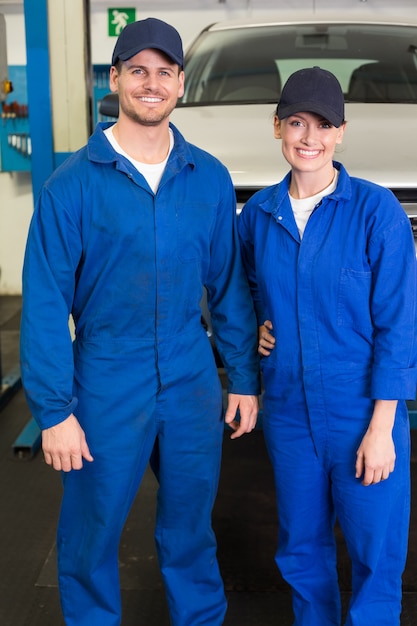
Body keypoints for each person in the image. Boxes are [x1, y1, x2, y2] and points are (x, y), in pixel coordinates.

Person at [20, 18, 260, 626]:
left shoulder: (207, 177)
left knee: (189, 527)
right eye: (137, 72)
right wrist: (54, 411)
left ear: (181, 83)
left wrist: (244, 377)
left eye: (163, 73)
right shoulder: (71, 186)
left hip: (188, 370)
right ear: (117, 80)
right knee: (92, 531)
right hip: (105, 376)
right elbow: (46, 304)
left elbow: (228, 285)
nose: (150, 85)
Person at [238, 66, 417, 625]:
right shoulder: (259, 216)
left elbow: (398, 326)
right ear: (276, 128)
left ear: (341, 132)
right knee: (300, 549)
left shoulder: (375, 211)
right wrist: (260, 323)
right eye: (296, 122)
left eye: (323, 124)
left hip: (362, 412)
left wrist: (384, 428)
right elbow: (241, 289)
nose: (308, 137)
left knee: (375, 554)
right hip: (290, 412)